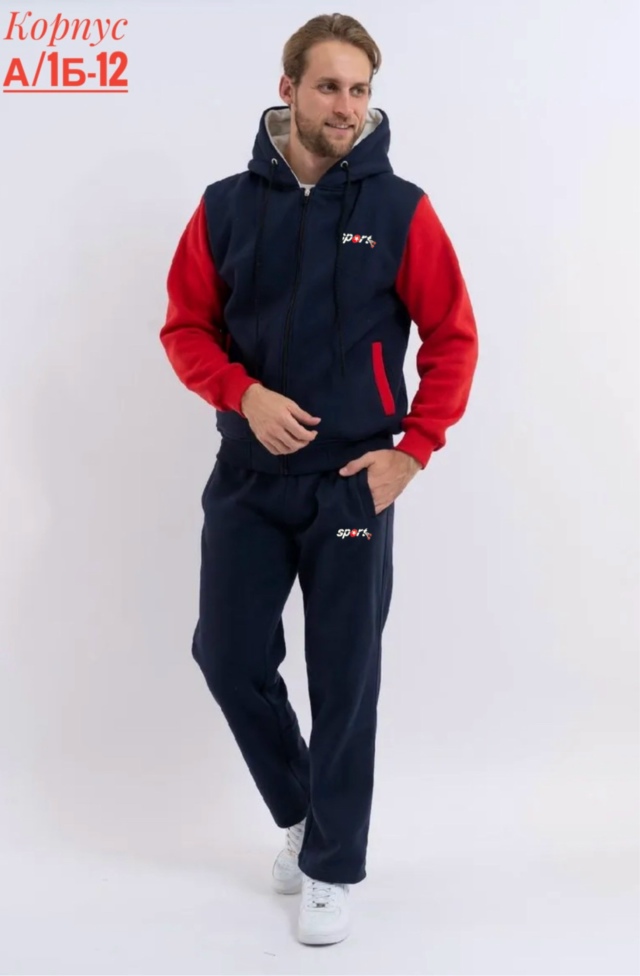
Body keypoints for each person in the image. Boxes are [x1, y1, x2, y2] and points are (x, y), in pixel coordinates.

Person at [160, 12, 478, 946]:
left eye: (361, 90)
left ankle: (333, 866)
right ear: (289, 88)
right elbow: (185, 329)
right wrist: (243, 393)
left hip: (351, 483)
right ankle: (305, 816)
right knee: (227, 656)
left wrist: (414, 450)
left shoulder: (401, 210)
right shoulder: (225, 206)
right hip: (248, 477)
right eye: (331, 86)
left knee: (345, 679)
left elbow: (453, 337)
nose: (347, 107)